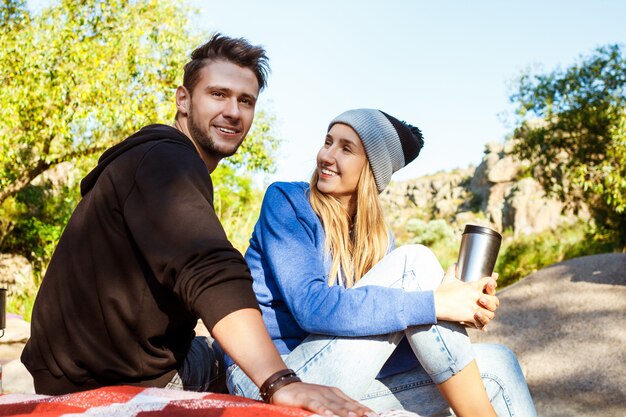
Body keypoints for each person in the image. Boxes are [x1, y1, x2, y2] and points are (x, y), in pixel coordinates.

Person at [20, 34, 373, 417]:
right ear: (183, 100)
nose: (234, 112)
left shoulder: (149, 161)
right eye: (218, 94)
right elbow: (209, 269)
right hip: (128, 381)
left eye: (246, 101)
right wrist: (279, 382)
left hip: (83, 371)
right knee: (246, 366)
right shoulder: (167, 159)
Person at [226, 108, 538, 416]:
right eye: (328, 141)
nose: (326, 155)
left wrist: (453, 308)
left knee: (500, 362)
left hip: (341, 380)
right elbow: (313, 307)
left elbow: (384, 337)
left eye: (346, 148)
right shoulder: (287, 202)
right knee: (415, 262)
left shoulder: (378, 239)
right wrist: (434, 304)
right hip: (272, 379)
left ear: (372, 170)